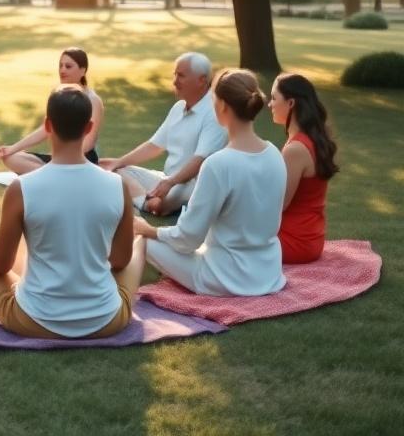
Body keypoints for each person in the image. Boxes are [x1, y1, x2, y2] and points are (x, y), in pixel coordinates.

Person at [0, 86, 142, 339]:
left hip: (34, 320)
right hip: (105, 320)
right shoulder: (117, 186)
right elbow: (120, 261)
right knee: (140, 245)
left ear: (48, 125)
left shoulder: (21, 188)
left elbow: (0, 265)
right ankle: (142, 242)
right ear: (89, 127)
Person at [133, 69, 286, 296]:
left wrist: (149, 231)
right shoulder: (274, 154)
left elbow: (188, 239)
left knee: (136, 236)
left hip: (224, 278)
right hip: (268, 273)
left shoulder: (218, 164)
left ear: (222, 106)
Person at [100, 52, 227, 215]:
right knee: (108, 166)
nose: (174, 81)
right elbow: (154, 146)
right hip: (165, 178)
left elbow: (200, 161)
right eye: (175, 75)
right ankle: (147, 201)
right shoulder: (178, 107)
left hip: (192, 185)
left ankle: (147, 202)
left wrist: (170, 183)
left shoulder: (213, 112)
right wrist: (119, 162)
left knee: (158, 204)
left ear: (202, 80)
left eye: (181, 76)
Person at [0, 47, 103, 173]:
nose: (62, 70)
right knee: (10, 157)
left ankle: (50, 174)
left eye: (68, 66)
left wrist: (59, 159)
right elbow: (46, 129)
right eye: (60, 66)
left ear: (83, 70)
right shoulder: (57, 93)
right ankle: (54, 174)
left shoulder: (93, 100)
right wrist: (13, 148)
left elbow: (88, 143)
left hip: (81, 160)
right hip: (57, 159)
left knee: (52, 166)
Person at [269, 73, 339, 263]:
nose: (270, 104)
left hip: (295, 241)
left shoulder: (295, 149)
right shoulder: (309, 139)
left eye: (274, 98)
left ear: (291, 103)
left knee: (228, 237)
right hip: (309, 238)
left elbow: (280, 205)